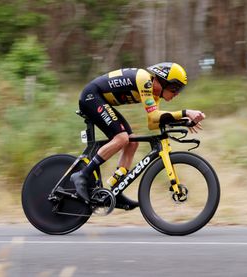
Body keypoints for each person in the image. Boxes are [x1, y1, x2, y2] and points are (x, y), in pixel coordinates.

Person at [70, 62, 206, 209]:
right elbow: (154, 117)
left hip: (99, 99)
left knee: (132, 143)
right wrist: (185, 112)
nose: (177, 94)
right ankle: (82, 175)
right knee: (122, 138)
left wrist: (182, 121)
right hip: (91, 97)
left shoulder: (155, 94)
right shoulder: (145, 81)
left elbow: (152, 124)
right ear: (163, 81)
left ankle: (115, 191)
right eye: (175, 88)